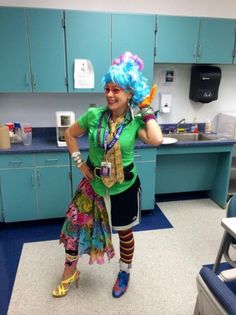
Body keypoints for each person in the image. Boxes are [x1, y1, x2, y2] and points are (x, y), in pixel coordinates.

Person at [52, 51, 163, 299]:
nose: (110, 94)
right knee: (74, 227)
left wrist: (146, 109)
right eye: (107, 88)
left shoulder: (135, 122)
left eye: (117, 90)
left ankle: (124, 272)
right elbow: (69, 135)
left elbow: (156, 139)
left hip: (124, 187)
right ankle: (69, 272)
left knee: (124, 232)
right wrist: (79, 162)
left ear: (130, 93)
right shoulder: (94, 116)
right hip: (93, 185)